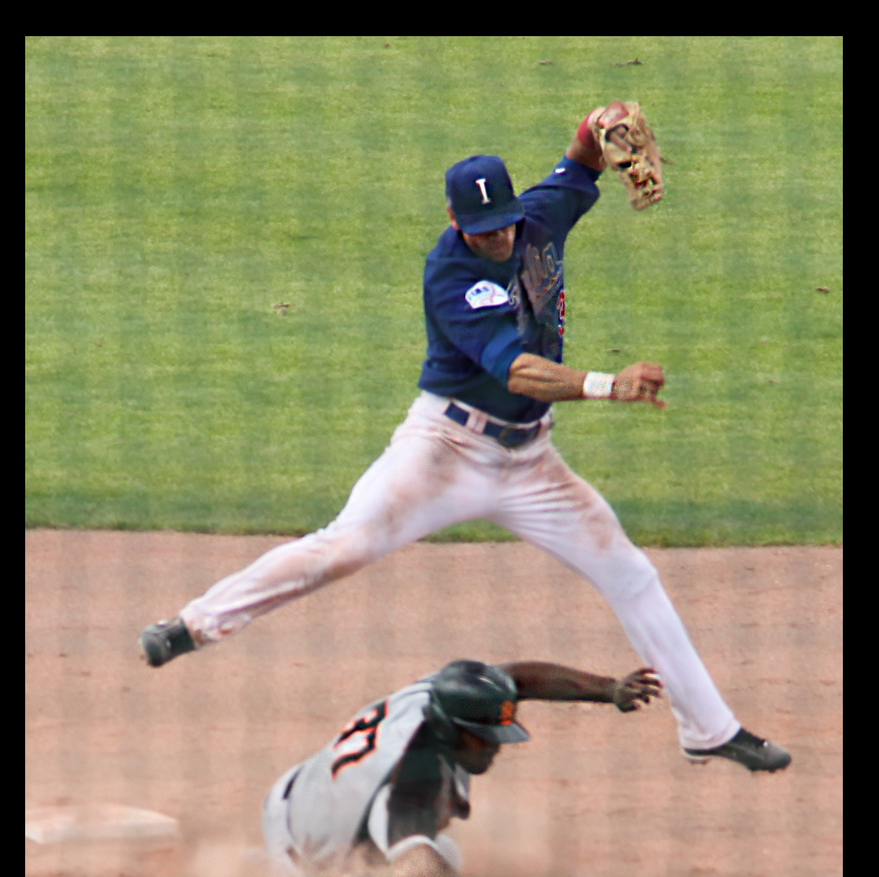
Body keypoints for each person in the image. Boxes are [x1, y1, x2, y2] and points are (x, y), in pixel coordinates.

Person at [140, 101, 791, 774]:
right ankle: (194, 625)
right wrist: (607, 384)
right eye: (480, 231)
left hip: (533, 461)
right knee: (342, 547)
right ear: (456, 222)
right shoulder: (451, 273)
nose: (497, 240)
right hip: (444, 453)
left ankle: (709, 729)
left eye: (502, 225)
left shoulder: (539, 216)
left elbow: (582, 157)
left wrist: (605, 118)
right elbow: (519, 371)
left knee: (632, 573)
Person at [262, 658, 664, 877]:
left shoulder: (439, 695)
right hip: (306, 860)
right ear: (449, 729)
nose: (495, 747)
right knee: (438, 863)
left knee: (431, 850)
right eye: (483, 738)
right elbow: (420, 868)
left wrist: (608, 690)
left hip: (300, 790)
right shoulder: (410, 779)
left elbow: (515, 680)